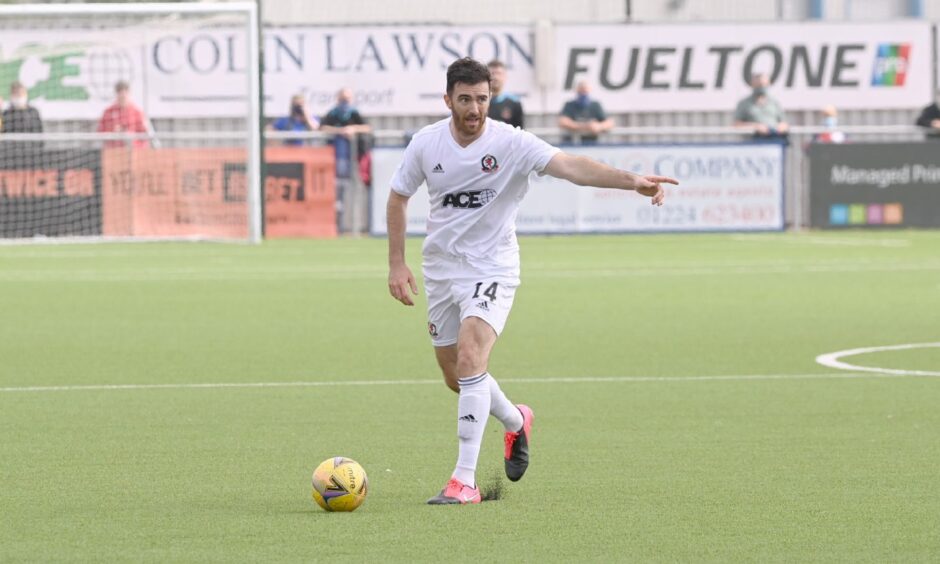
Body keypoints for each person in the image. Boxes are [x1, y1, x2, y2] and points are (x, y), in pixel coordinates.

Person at [386, 57, 677, 505]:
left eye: (482, 99)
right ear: (448, 100)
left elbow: (574, 166)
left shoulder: (513, 143)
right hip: (442, 270)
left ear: (490, 99)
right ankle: (516, 420)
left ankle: (464, 481)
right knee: (456, 376)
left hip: (492, 267)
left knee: (470, 357)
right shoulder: (426, 144)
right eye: (465, 99)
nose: (474, 108)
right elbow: (399, 197)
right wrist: (396, 263)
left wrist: (630, 180)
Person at [319, 87, 372, 177]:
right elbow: (322, 127)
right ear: (338, 99)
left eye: (347, 99)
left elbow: (367, 128)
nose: (345, 102)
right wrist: (340, 131)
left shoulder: (354, 113)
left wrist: (353, 129)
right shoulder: (333, 113)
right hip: (337, 155)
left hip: (356, 154)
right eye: (342, 99)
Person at [97, 81, 151, 149]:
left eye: (125, 93)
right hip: (113, 151)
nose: (122, 96)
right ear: (116, 94)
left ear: (129, 93)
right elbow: (100, 132)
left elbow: (144, 133)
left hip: (134, 151)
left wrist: (129, 135)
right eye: (120, 93)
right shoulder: (108, 112)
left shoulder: (137, 112)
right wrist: (113, 132)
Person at [734, 73, 789, 140]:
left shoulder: (774, 103)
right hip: (754, 142)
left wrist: (780, 128)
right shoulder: (744, 103)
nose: (761, 87)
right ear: (752, 84)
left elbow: (784, 123)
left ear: (768, 84)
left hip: (775, 140)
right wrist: (755, 127)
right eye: (758, 85)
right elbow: (737, 125)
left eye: (764, 84)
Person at [1, 81, 44, 155]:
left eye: (21, 93)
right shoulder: (5, 114)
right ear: (11, 95)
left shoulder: (33, 112)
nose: (19, 96)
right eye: (16, 94)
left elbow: (40, 133)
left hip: (32, 152)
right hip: (10, 153)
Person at [486, 60, 524, 129]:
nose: (495, 77)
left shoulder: (514, 102)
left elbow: (519, 131)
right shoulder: (480, 102)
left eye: (499, 73)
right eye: (492, 73)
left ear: (505, 76)